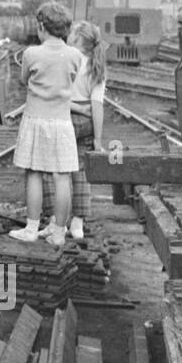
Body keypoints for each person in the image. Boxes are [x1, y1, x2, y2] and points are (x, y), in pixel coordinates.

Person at [9, 1, 85, 246]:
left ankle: (31, 228)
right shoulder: (76, 56)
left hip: (35, 120)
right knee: (63, 177)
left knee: (34, 173)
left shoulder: (31, 54)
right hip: (62, 123)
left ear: (41, 27)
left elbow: (23, 80)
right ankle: (59, 232)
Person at [66, 20, 106, 240]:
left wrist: (74, 106)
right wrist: (98, 139)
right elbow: (97, 105)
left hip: (64, 119)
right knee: (81, 172)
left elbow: (59, 95)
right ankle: (78, 224)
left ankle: (57, 220)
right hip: (87, 122)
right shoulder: (96, 64)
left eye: (72, 34)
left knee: (58, 170)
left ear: (77, 37)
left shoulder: (68, 59)